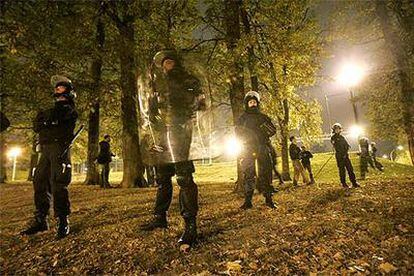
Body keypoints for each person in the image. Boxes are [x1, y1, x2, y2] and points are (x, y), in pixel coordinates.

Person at [140, 50, 206, 248]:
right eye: (164, 63)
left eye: (170, 61)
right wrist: (151, 112)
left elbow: (200, 103)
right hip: (161, 133)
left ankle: (190, 224)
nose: (167, 65)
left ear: (176, 63)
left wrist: (190, 105)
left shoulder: (188, 80)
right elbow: (150, 109)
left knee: (184, 177)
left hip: (180, 131)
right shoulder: (157, 85)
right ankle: (159, 217)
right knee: (162, 178)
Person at [21, 76, 78, 239]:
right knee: (39, 181)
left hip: (59, 148)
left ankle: (63, 220)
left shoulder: (69, 109)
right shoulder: (50, 109)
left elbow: (53, 119)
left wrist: (47, 121)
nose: (57, 89)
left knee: (58, 183)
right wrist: (46, 121)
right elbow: (37, 125)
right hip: (45, 149)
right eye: (56, 88)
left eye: (60, 87)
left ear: (68, 90)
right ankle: (41, 219)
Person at [236, 91, 277, 210]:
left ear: (257, 103)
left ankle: (269, 200)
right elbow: (237, 132)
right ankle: (248, 202)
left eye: (254, 102)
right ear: (247, 104)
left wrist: (266, 129)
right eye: (250, 102)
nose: (252, 104)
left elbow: (273, 131)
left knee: (266, 173)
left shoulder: (263, 117)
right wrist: (243, 136)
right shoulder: (243, 118)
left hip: (262, 147)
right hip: (248, 148)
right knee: (249, 174)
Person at [331, 123, 360, 189]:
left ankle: (354, 182)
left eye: (338, 129)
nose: (337, 130)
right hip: (339, 156)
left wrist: (346, 151)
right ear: (334, 130)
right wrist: (342, 153)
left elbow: (346, 145)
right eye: (336, 129)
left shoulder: (342, 137)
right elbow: (337, 147)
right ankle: (344, 183)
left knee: (350, 169)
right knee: (342, 170)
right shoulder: (333, 138)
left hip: (345, 156)